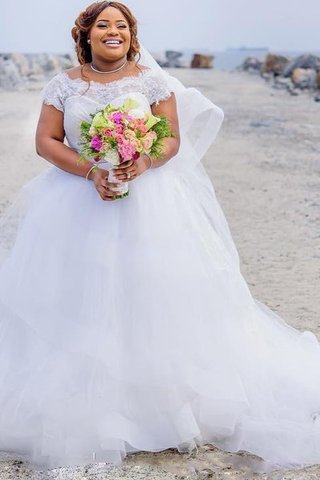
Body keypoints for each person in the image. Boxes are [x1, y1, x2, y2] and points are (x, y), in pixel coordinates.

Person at [0, 0, 320, 472]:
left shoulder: (152, 81)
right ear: (85, 34)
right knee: (78, 296)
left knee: (154, 294)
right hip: (75, 200)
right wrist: (92, 171)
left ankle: (163, 402)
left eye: (122, 26)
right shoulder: (63, 85)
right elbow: (46, 141)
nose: (114, 32)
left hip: (150, 202)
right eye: (104, 25)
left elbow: (169, 138)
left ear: (132, 36)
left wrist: (144, 160)